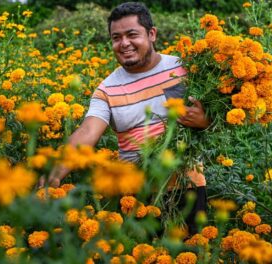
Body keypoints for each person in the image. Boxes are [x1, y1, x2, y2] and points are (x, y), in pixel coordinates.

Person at [40, 2, 210, 235]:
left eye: (132, 35)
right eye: (116, 37)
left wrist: (205, 121)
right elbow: (88, 132)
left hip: (186, 187)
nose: (124, 44)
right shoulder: (107, 89)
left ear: (152, 34)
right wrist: (55, 172)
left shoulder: (184, 68)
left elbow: (217, 119)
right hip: (137, 195)